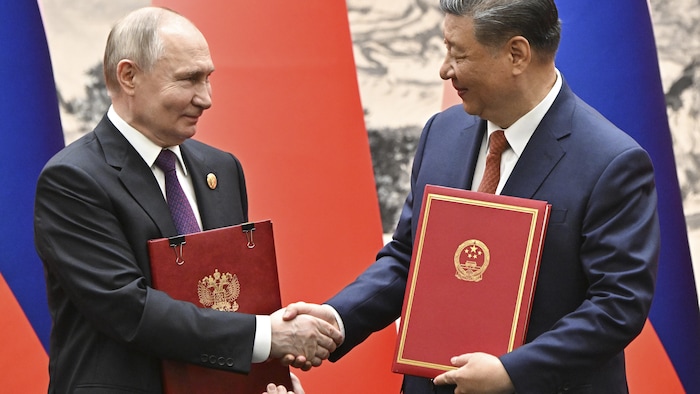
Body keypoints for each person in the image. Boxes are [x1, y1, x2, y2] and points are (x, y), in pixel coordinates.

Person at [283, 0, 660, 393]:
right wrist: (335, 319)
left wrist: (513, 372)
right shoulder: (442, 133)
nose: (445, 70)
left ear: (516, 54)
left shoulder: (611, 162)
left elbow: (618, 304)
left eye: (457, 54)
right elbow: (409, 258)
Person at [34, 6, 341, 393]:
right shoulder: (73, 180)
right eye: (189, 80)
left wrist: (267, 377)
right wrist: (266, 339)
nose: (207, 98)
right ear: (129, 76)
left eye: (208, 78)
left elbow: (230, 300)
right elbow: (129, 309)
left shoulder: (222, 168)